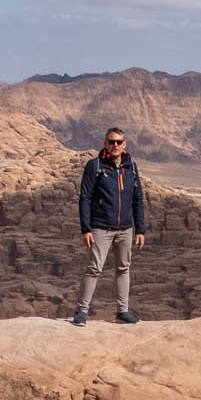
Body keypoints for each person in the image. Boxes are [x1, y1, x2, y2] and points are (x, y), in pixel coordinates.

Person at [74, 127, 146, 324]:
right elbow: (85, 198)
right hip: (101, 227)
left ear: (125, 144)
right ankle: (81, 311)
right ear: (105, 144)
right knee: (94, 268)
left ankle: (122, 311)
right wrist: (85, 229)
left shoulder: (131, 166)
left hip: (125, 228)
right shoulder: (95, 165)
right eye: (111, 141)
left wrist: (140, 229)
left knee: (124, 268)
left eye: (119, 142)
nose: (115, 145)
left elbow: (137, 198)